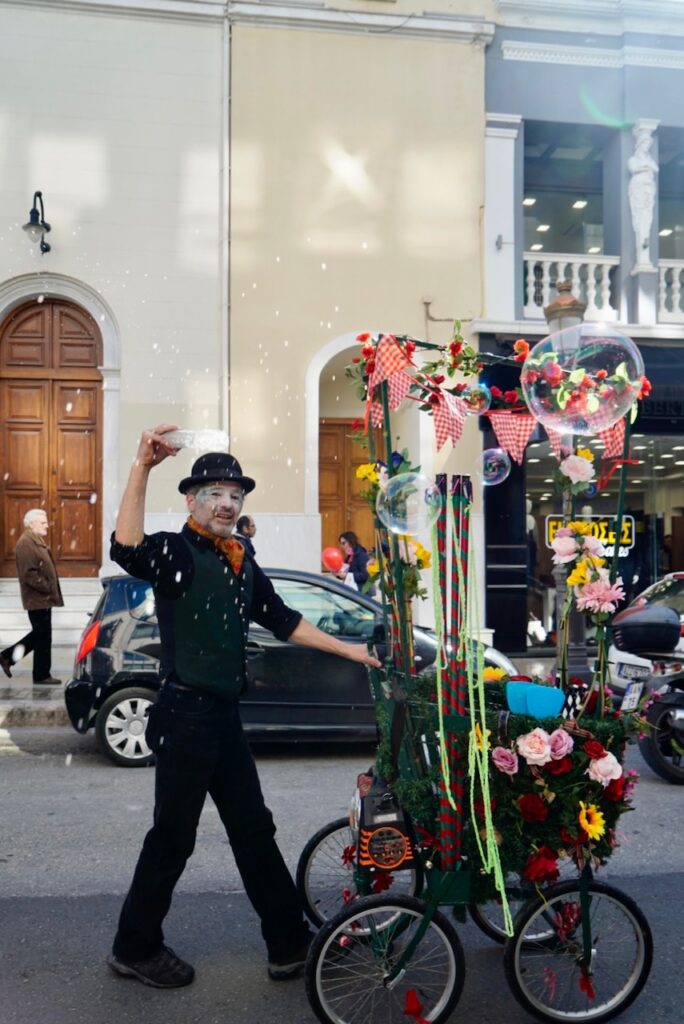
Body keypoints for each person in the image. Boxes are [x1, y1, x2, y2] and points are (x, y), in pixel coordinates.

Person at [107, 425, 380, 990]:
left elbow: (282, 618)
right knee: (172, 838)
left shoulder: (240, 556)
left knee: (254, 829)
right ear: (191, 499)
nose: (227, 503)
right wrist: (141, 466)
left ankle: (289, 945)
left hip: (224, 717)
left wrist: (351, 650)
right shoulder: (172, 551)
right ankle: (135, 946)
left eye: (235, 494)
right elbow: (125, 547)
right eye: (215, 492)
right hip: (185, 717)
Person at [0, 508, 64, 684]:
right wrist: (48, 587)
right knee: (41, 636)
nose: (46, 525)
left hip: (42, 598)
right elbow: (29, 574)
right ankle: (40, 675)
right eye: (42, 522)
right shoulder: (26, 543)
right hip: (37, 598)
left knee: (41, 635)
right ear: (30, 523)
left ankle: (9, 659)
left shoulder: (35, 540)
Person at [338, 531, 375, 595]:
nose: (342, 546)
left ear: (350, 542)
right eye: (341, 544)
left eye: (343, 543)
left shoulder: (361, 554)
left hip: (362, 591)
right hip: (352, 588)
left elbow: (365, 575)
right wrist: (338, 574)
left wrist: (347, 575)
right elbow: (345, 573)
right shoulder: (349, 556)